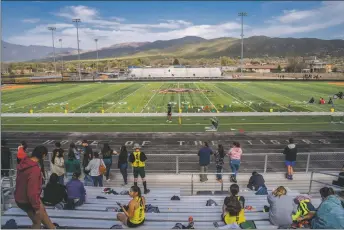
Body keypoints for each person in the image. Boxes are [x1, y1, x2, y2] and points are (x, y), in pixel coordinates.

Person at [14, 145, 56, 229]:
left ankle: (52, 228)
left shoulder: (24, 162)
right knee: (37, 221)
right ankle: (51, 228)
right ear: (43, 155)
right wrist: (36, 208)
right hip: (26, 200)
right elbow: (32, 192)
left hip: (19, 197)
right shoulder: (34, 170)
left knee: (42, 211)